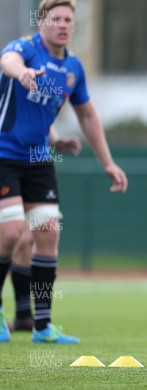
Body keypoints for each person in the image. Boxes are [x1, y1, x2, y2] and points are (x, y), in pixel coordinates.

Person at [0, 0, 128, 344]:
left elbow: (87, 115)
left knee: (48, 233)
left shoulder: (73, 67)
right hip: (4, 155)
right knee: (12, 234)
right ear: (42, 22)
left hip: (40, 160)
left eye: (68, 19)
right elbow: (6, 60)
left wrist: (108, 162)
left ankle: (42, 325)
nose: (62, 24)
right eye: (55, 18)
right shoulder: (25, 50)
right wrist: (22, 72)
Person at [7, 127, 81, 332]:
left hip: (31, 166)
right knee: (14, 236)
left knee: (30, 237)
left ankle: (25, 315)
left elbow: (40, 117)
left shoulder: (42, 98)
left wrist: (56, 141)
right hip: (7, 163)